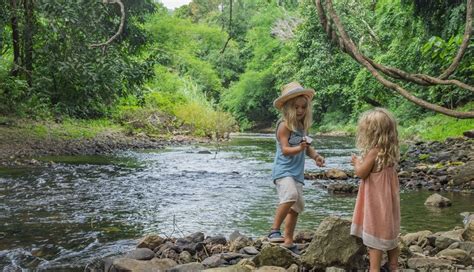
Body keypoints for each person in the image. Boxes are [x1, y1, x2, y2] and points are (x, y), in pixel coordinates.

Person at [268, 81, 325, 254]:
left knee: (296, 207)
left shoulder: (302, 126)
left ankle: (288, 240)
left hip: (297, 174)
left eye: (303, 107)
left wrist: (315, 156)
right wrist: (299, 148)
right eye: (296, 107)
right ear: (287, 108)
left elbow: (306, 146)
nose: (300, 111)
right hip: (283, 171)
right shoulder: (284, 126)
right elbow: (285, 150)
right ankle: (273, 230)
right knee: (290, 196)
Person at [350, 108, 400, 272]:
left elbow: (361, 173)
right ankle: (393, 265)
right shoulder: (390, 152)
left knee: (374, 239)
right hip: (388, 203)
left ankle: (374, 269)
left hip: (376, 203)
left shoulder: (373, 152)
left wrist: (356, 162)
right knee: (390, 234)